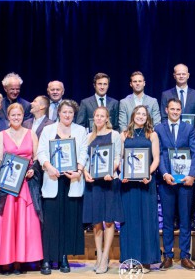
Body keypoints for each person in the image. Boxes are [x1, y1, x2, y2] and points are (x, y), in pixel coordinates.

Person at [0, 103, 43, 274]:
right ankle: (6, 261)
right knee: (7, 222)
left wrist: (32, 170)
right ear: (8, 117)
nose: (16, 118)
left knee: (24, 222)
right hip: (8, 185)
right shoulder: (1, 135)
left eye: (19, 115)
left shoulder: (31, 134)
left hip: (25, 185)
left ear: (23, 116)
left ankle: (20, 261)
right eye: (13, 115)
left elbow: (37, 158)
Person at [37, 100, 89, 274]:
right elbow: (41, 152)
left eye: (70, 112)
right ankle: (47, 259)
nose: (67, 115)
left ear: (74, 114)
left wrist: (79, 170)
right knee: (51, 221)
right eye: (64, 112)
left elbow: (83, 152)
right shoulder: (48, 130)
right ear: (58, 112)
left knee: (68, 220)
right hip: (53, 179)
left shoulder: (81, 131)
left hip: (72, 180)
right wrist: (48, 167)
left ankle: (63, 257)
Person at [154, 98, 195, 270]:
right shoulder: (159, 128)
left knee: (185, 219)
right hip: (166, 181)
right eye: (172, 109)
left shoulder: (189, 128)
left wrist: (192, 175)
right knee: (166, 220)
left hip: (185, 182)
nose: (175, 112)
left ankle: (185, 256)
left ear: (181, 111)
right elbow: (158, 154)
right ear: (166, 110)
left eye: (178, 109)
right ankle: (168, 255)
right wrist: (164, 173)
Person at [119, 105, 161, 271]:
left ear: (147, 117)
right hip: (129, 186)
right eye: (138, 113)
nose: (141, 116)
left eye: (144, 114)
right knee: (130, 222)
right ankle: (130, 259)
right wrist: (123, 173)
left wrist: (148, 173)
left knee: (147, 220)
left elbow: (156, 158)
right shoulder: (124, 135)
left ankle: (147, 259)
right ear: (132, 115)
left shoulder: (152, 134)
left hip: (146, 184)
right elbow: (121, 158)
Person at [83, 106, 123, 274]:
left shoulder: (114, 135)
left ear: (107, 118)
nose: (99, 119)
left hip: (109, 183)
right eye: (96, 116)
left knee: (109, 221)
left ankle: (106, 256)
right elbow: (84, 159)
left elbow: (117, 157)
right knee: (97, 222)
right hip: (94, 184)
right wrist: (85, 172)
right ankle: (99, 256)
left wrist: (110, 171)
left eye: (102, 116)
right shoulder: (88, 136)